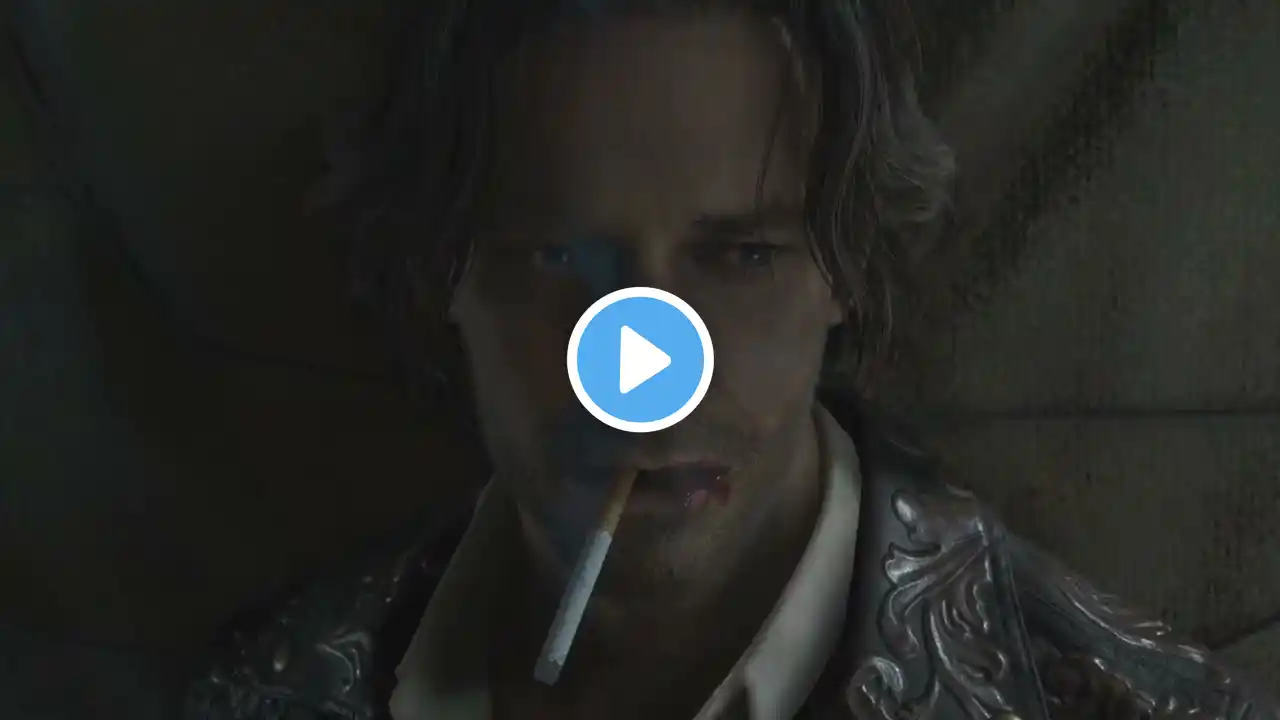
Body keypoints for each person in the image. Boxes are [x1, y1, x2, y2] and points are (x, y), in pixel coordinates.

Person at [184, 2, 1278, 719]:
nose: (645, 378)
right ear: (442, 275)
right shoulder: (267, 690)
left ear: (845, 264)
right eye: (556, 257)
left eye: (741, 256)